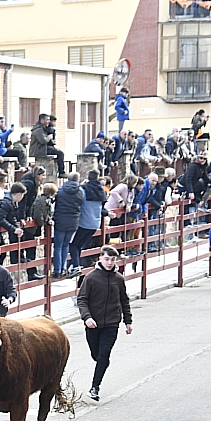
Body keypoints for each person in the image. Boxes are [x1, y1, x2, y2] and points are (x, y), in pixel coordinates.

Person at [77, 246, 132, 401]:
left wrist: (128, 321)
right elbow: (82, 300)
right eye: (107, 259)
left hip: (111, 324)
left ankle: (95, 387)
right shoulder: (91, 278)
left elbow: (124, 301)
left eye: (113, 259)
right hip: (93, 324)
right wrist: (87, 318)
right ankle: (100, 365)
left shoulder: (118, 278)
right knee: (96, 355)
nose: (109, 262)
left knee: (104, 356)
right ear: (100, 258)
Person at [53, 172, 84, 277]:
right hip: (73, 221)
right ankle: (63, 268)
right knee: (66, 245)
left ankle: (57, 270)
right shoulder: (80, 192)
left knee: (58, 246)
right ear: (77, 180)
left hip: (60, 220)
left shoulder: (60, 191)